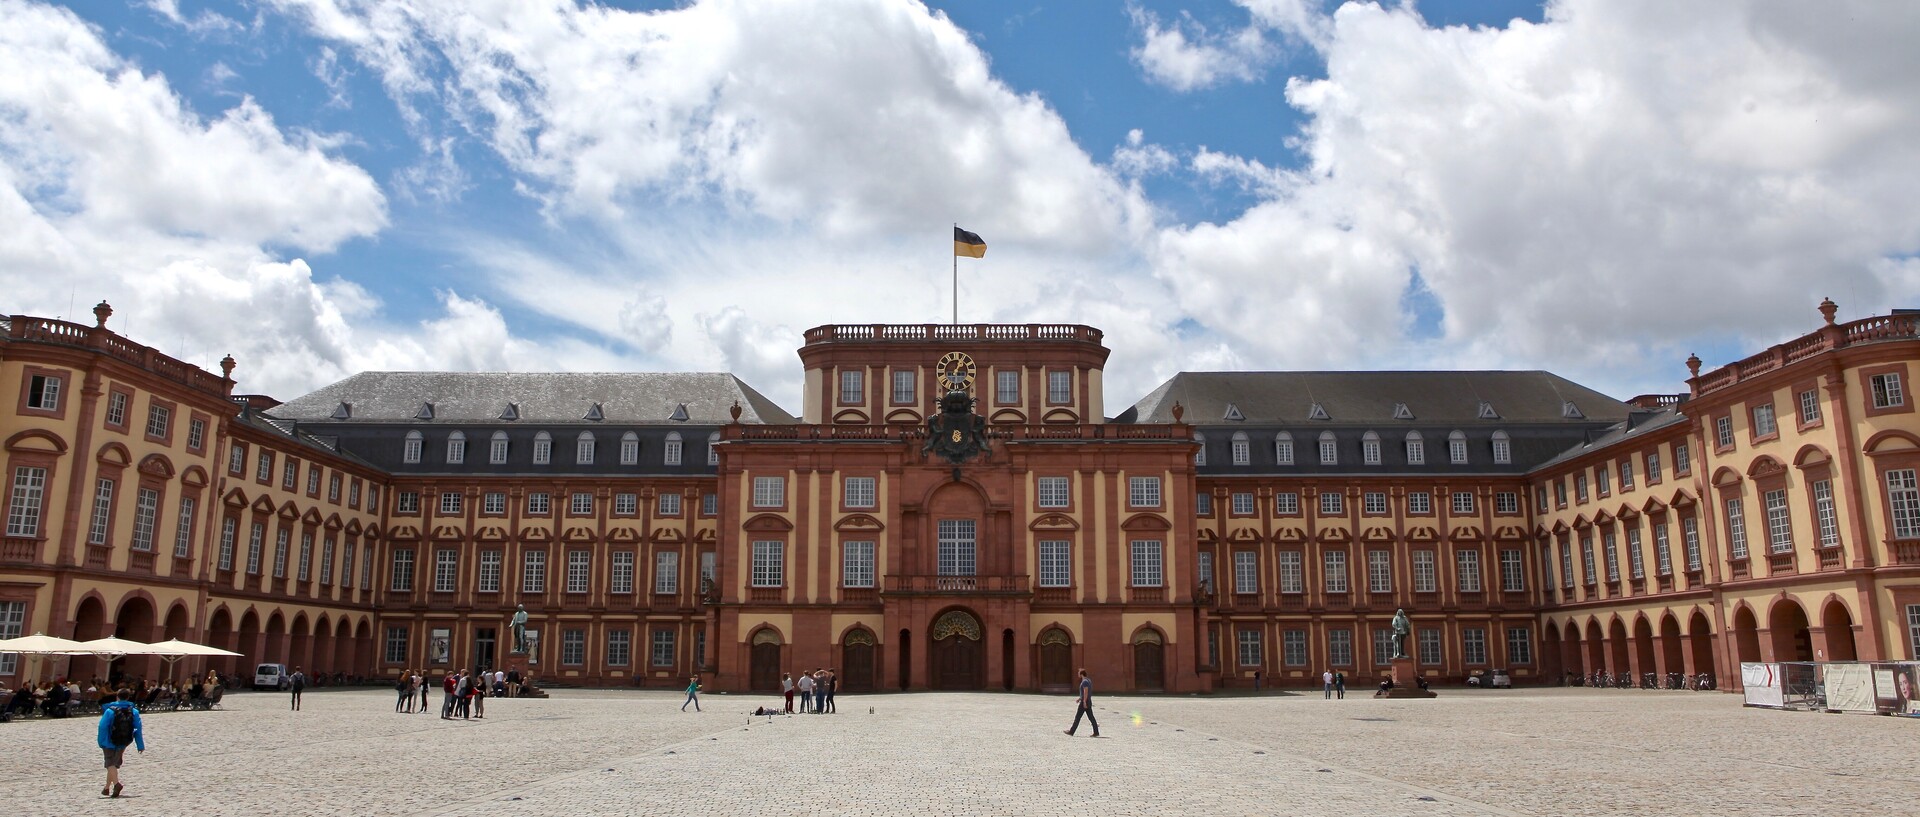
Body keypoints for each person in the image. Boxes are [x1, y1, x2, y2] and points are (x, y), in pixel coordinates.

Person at [97, 688, 144, 798]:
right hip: (124, 741)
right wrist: (140, 744)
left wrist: (101, 741)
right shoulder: (133, 711)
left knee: (110, 764)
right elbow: (138, 728)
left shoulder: (110, 711)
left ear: (117, 697)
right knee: (113, 764)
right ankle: (107, 788)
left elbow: (102, 726)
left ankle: (117, 784)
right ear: (128, 697)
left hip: (109, 741)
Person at [1064, 668, 1099, 738]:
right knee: (1091, 717)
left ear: (1081, 674)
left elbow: (1086, 692)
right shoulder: (1088, 680)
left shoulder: (1084, 682)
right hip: (1088, 701)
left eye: (1079, 673)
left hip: (1085, 702)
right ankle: (1096, 732)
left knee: (1078, 717)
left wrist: (1084, 702)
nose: (1078, 674)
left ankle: (1071, 731)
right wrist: (1080, 698)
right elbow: (1086, 693)